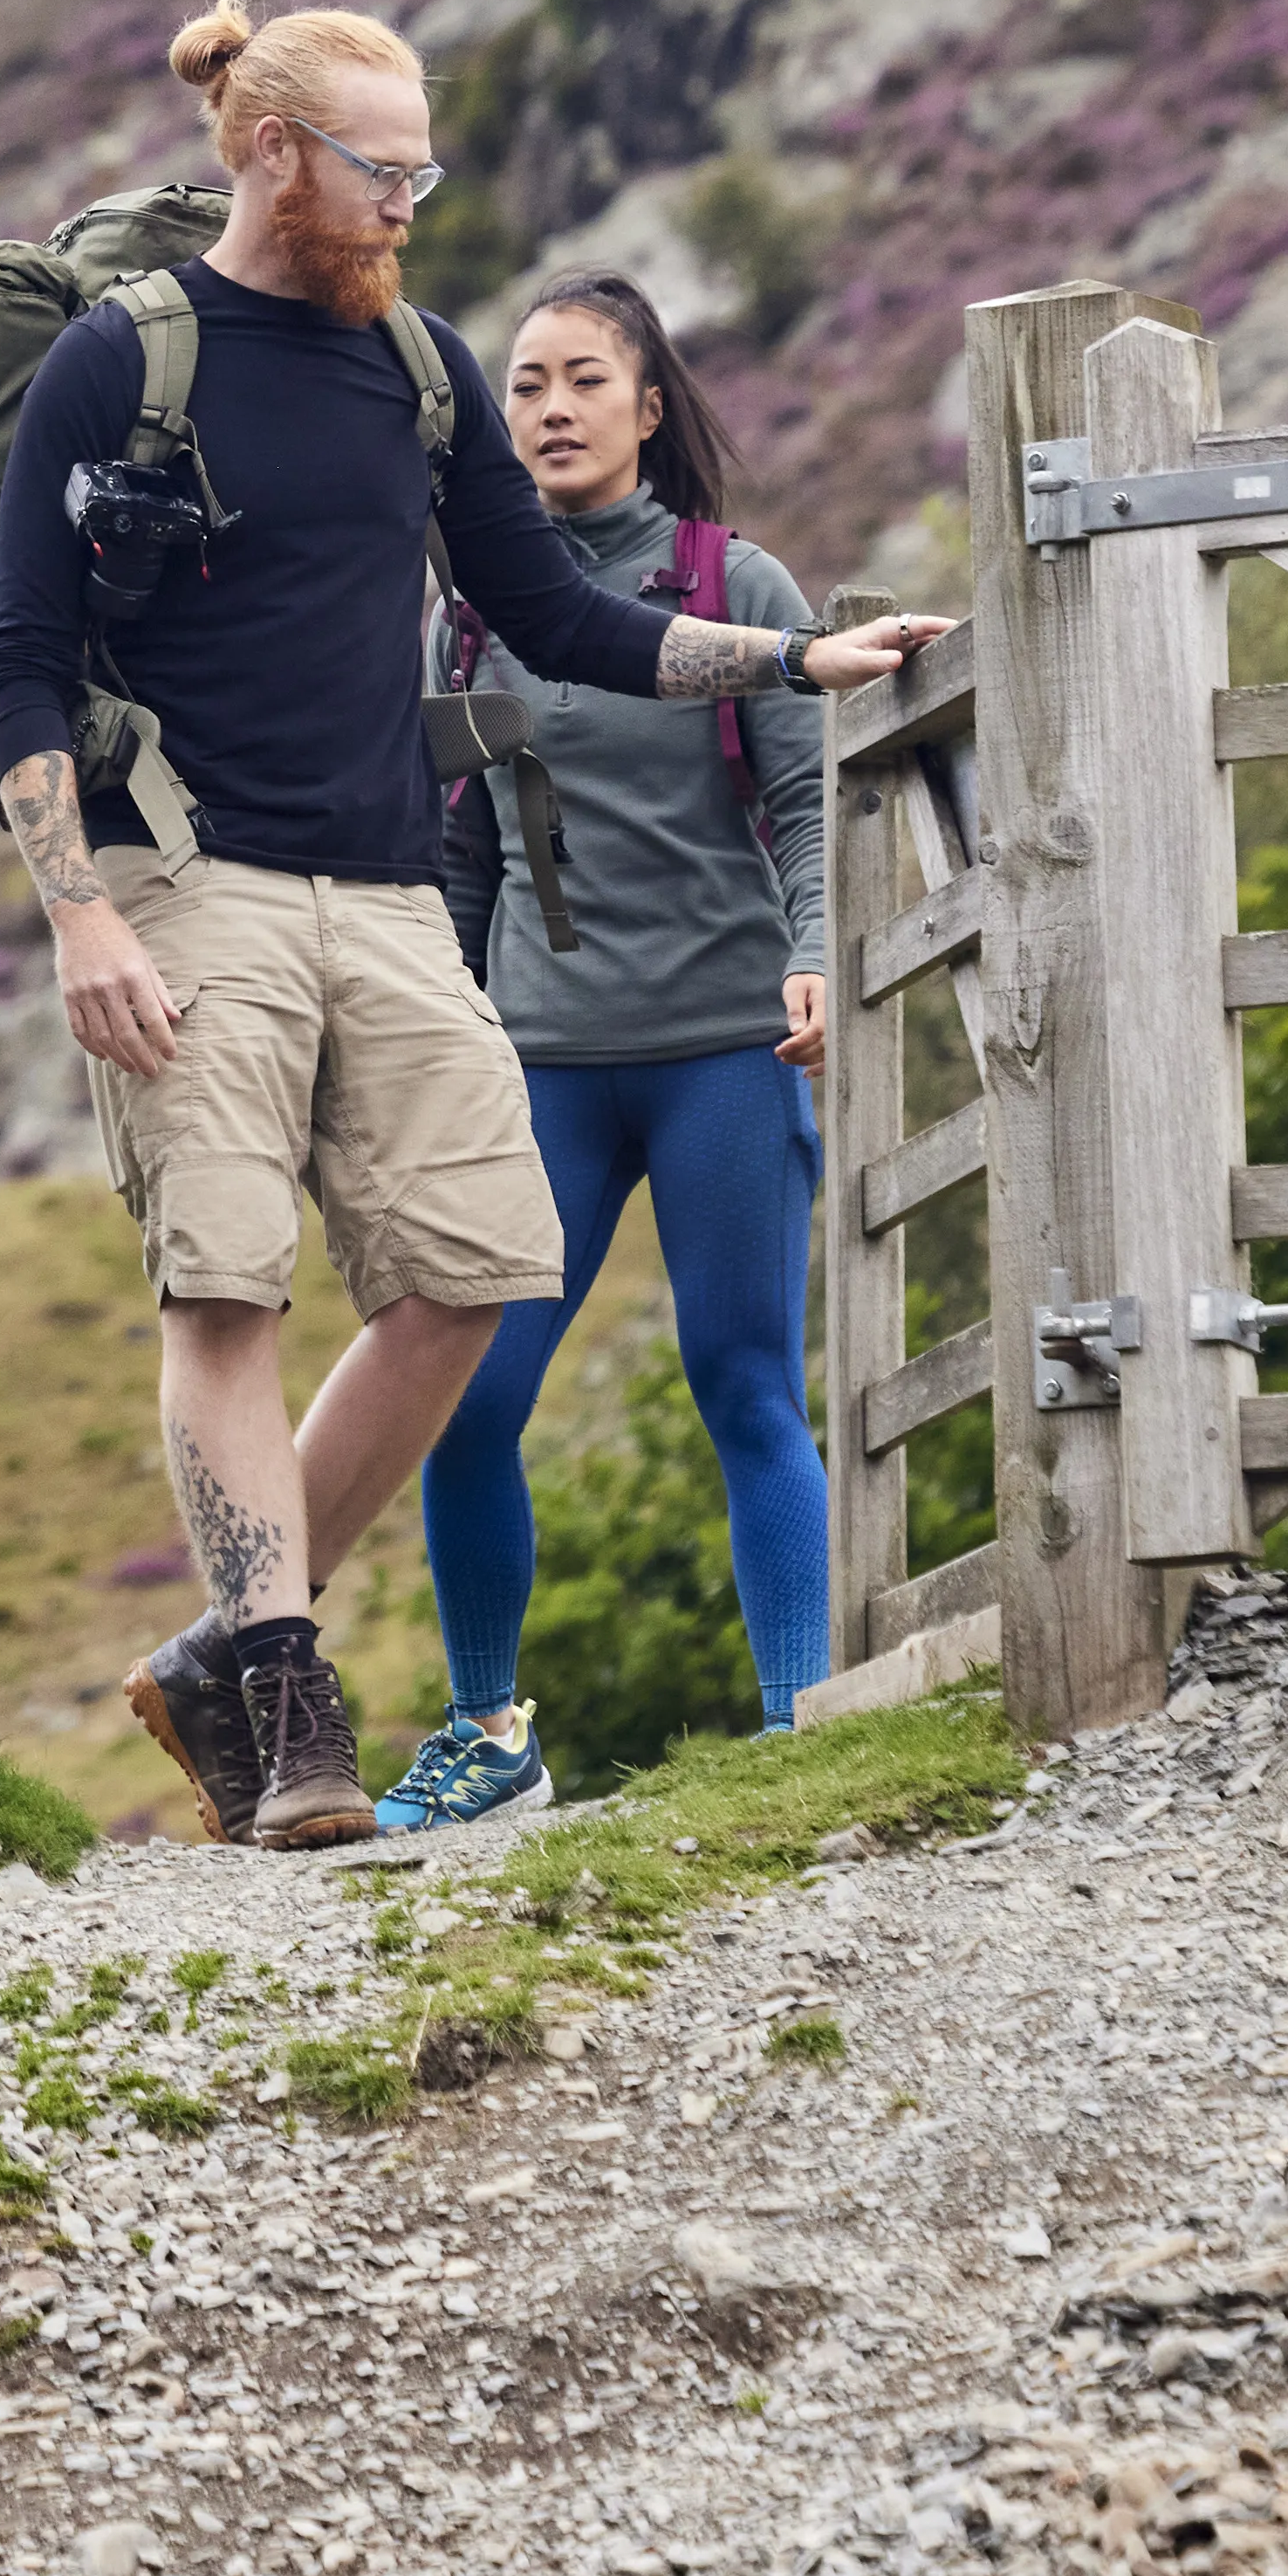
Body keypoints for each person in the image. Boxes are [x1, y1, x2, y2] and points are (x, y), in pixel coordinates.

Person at [0, 0, 950, 1848]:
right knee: (226, 1276)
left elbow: (559, 615)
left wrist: (792, 650)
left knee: (476, 1273)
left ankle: (214, 1654)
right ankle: (284, 1680)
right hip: (193, 876)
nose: (411, 201)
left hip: (387, 887)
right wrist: (82, 912)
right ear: (271, 152)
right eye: (382, 167)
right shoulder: (123, 360)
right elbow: (19, 657)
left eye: (427, 165)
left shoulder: (411, 368)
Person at [367, 275, 841, 1833]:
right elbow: (463, 859)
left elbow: (808, 808)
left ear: (650, 409)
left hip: (721, 1049)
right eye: (523, 386)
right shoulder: (466, 619)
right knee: (469, 1401)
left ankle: (801, 1722)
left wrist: (818, 958)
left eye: (584, 380)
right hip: (542, 1070)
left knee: (744, 1381)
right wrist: (441, 1023)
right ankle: (490, 1737)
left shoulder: (739, 584)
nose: (551, 408)